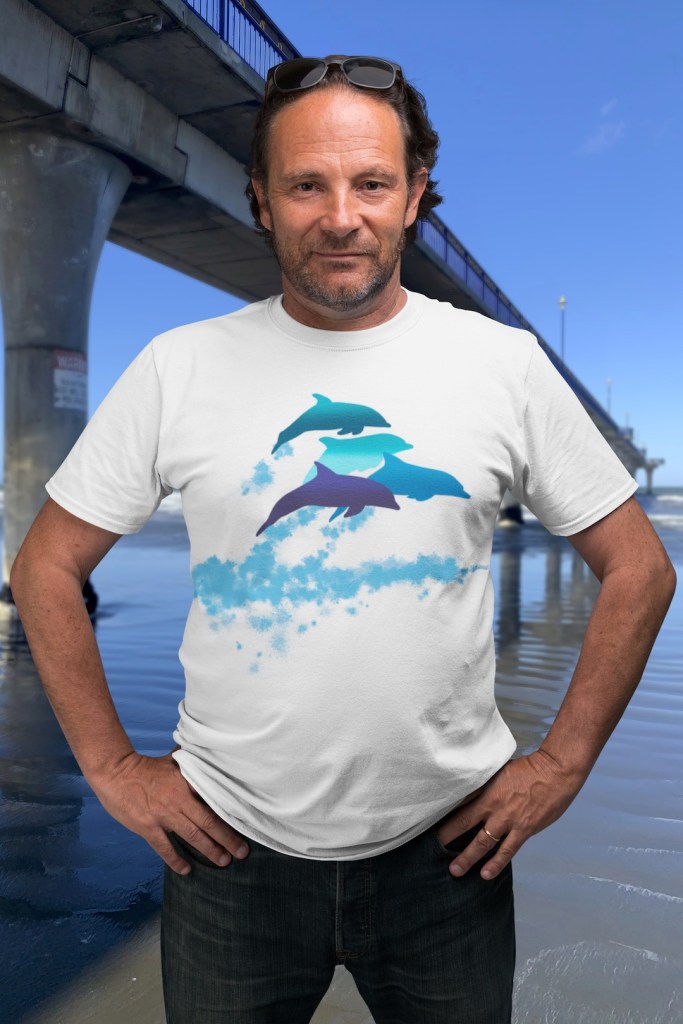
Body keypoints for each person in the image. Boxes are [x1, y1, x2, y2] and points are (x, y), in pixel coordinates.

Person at [10, 55, 675, 1024]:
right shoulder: (178, 366)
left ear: (412, 197)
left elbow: (638, 569)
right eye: (305, 184)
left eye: (370, 182)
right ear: (261, 200)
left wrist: (559, 764)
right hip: (226, 856)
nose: (340, 214)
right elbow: (44, 566)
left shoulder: (502, 365)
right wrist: (113, 769)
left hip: (447, 855)